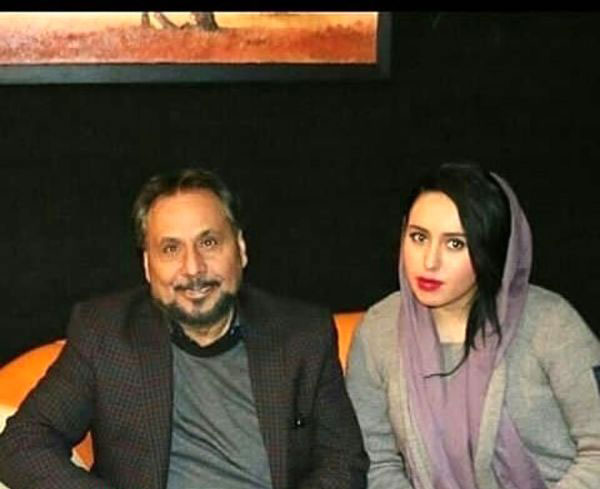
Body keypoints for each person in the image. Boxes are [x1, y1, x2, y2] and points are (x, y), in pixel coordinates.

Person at [0, 168, 368, 489]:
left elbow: (344, 462)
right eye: (170, 249)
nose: (193, 268)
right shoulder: (105, 333)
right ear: (148, 266)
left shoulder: (303, 335)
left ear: (240, 249)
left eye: (208, 242)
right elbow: (21, 443)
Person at [345, 162, 600, 489]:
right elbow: (374, 460)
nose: (430, 261)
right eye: (418, 237)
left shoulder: (552, 324)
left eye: (455, 244)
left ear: (491, 250)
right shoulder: (379, 329)